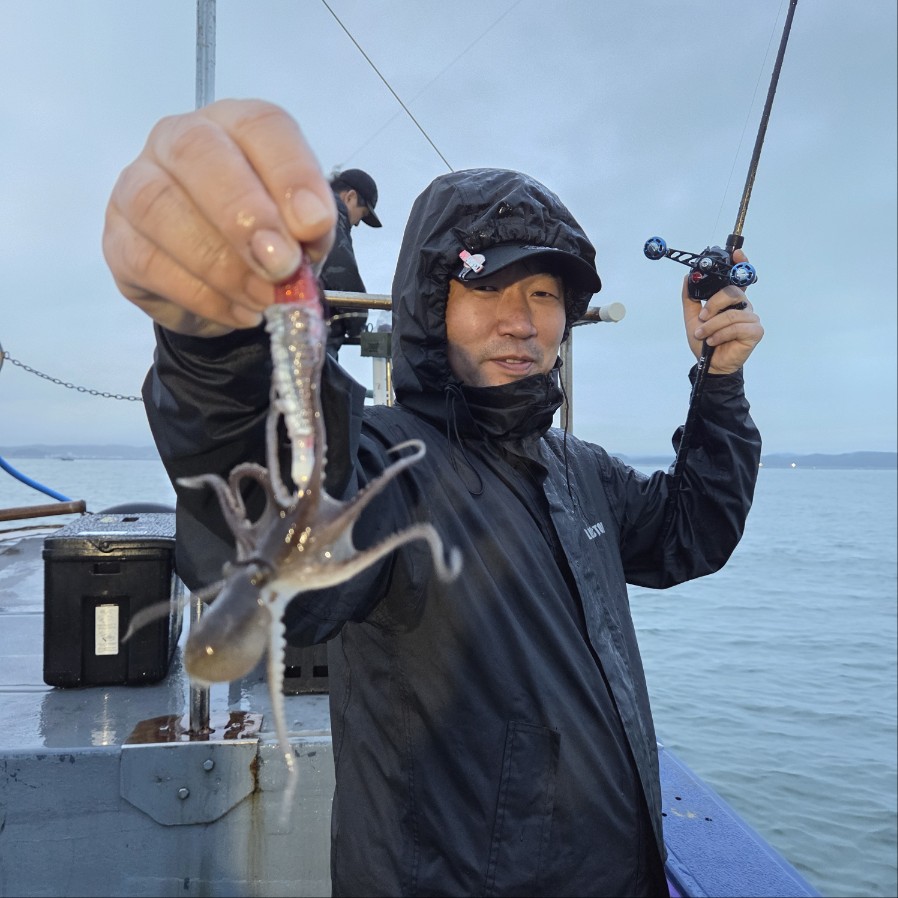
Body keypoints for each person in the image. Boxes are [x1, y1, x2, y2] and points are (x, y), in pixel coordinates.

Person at [103, 99, 764, 897]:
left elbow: (693, 532)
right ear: (428, 304)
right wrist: (216, 341)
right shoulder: (391, 464)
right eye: (486, 287)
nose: (521, 322)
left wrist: (719, 382)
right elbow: (281, 495)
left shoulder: (581, 470)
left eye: (544, 294)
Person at [320, 167, 382, 357]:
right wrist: (358, 318)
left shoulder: (308, 208)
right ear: (350, 197)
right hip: (309, 337)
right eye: (361, 214)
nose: (356, 223)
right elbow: (340, 269)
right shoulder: (330, 214)